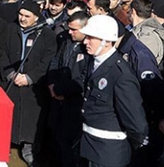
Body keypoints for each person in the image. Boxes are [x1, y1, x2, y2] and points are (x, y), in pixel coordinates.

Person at [78, 15, 149, 167]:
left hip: (109, 153)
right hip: (89, 147)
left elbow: (136, 122)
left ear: (106, 41)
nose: (85, 42)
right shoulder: (94, 62)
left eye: (91, 38)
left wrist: (135, 142)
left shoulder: (121, 75)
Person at [3, 0, 57, 165]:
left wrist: (30, 77)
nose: (23, 18)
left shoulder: (47, 34)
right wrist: (10, 73)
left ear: (36, 17)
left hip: (33, 86)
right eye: (20, 14)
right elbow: (2, 52)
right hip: (12, 81)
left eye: (27, 16)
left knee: (30, 120)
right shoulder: (10, 29)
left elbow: (48, 60)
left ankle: (29, 146)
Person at [47, 11, 91, 167]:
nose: (70, 32)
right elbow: (55, 62)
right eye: (69, 28)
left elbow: (84, 77)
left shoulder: (89, 49)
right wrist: (52, 85)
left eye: (74, 29)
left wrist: (61, 90)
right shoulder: (67, 41)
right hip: (58, 102)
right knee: (58, 141)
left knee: (71, 148)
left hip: (75, 105)